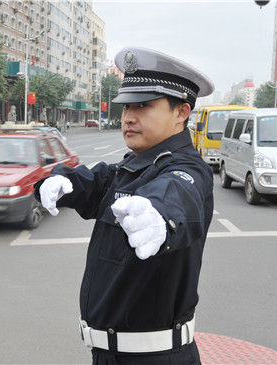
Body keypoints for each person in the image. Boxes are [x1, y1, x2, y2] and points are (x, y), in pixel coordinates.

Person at [34, 46, 215, 364]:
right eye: (127, 106)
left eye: (143, 106)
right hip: (109, 356)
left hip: (156, 357)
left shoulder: (187, 169)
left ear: (181, 112)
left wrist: (162, 218)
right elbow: (96, 182)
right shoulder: (134, 165)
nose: (128, 117)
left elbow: (178, 195)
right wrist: (63, 180)